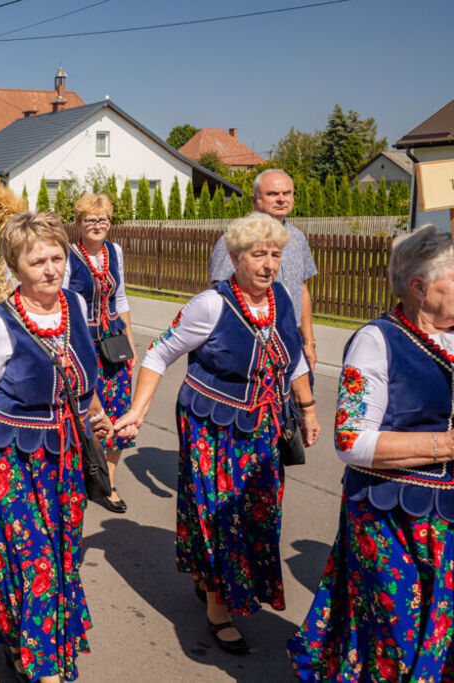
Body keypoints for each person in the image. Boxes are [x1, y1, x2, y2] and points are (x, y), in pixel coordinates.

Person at [113, 211, 320, 654]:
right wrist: (138, 410)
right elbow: (158, 354)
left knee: (257, 514)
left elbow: (294, 359)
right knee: (218, 514)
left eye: (275, 255)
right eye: (257, 254)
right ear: (233, 257)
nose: (268, 264)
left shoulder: (282, 298)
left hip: (264, 428)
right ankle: (218, 607)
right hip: (212, 428)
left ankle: (220, 582)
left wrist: (307, 409)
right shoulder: (210, 304)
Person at [0, 211, 113, 683]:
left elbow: (79, 375)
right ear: (15, 266)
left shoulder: (76, 305)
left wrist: (96, 416)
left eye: (57, 257)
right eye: (38, 262)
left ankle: (21, 638)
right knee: (36, 561)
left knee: (59, 554)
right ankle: (44, 670)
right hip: (12, 460)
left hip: (65, 457)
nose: (51, 269)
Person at [287, 224, 454, 680]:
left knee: (441, 639)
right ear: (419, 288)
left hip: (447, 519)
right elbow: (351, 441)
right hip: (390, 516)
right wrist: (446, 445)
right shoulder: (377, 341)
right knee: (397, 640)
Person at [64, 192, 134, 513]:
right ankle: (81, 478)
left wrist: (130, 347)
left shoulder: (115, 252)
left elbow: (120, 300)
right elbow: (62, 302)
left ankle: (109, 483)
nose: (97, 225)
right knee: (85, 413)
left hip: (113, 344)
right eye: (90, 219)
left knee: (118, 416)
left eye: (102, 219)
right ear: (79, 223)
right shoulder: (67, 255)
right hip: (82, 343)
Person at [209, 169, 319, 369]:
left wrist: (309, 342)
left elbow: (301, 289)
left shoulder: (298, 238)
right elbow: (219, 295)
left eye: (287, 193)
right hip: (250, 342)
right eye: (272, 194)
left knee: (301, 399)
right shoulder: (235, 240)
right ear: (254, 200)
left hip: (292, 342)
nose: (281, 199)